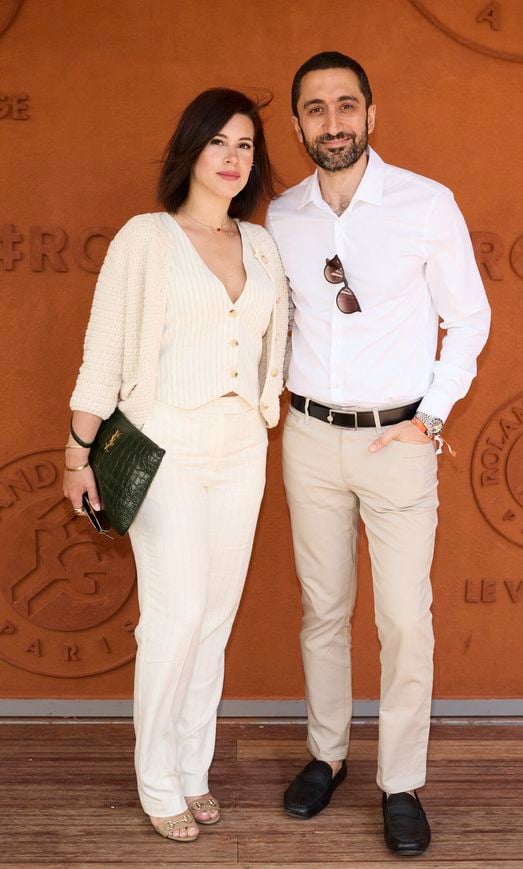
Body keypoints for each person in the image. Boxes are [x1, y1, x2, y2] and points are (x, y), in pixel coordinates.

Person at [266, 52, 490, 857]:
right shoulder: (281, 217)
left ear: (371, 114)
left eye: (346, 104)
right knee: (322, 610)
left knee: (403, 618)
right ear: (296, 125)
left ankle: (401, 781)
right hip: (311, 438)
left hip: (399, 440)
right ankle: (327, 755)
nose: (333, 122)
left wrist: (431, 416)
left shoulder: (427, 204)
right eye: (315, 109)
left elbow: (469, 317)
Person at [64, 88, 288, 842]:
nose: (233, 158)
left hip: (242, 447)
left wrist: (267, 407)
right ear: (190, 149)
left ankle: (194, 769)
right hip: (166, 446)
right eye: (219, 141)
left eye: (247, 145)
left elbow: (267, 347)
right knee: (177, 613)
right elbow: (104, 350)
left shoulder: (261, 245)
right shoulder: (146, 238)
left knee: (214, 619)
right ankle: (156, 775)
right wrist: (78, 449)